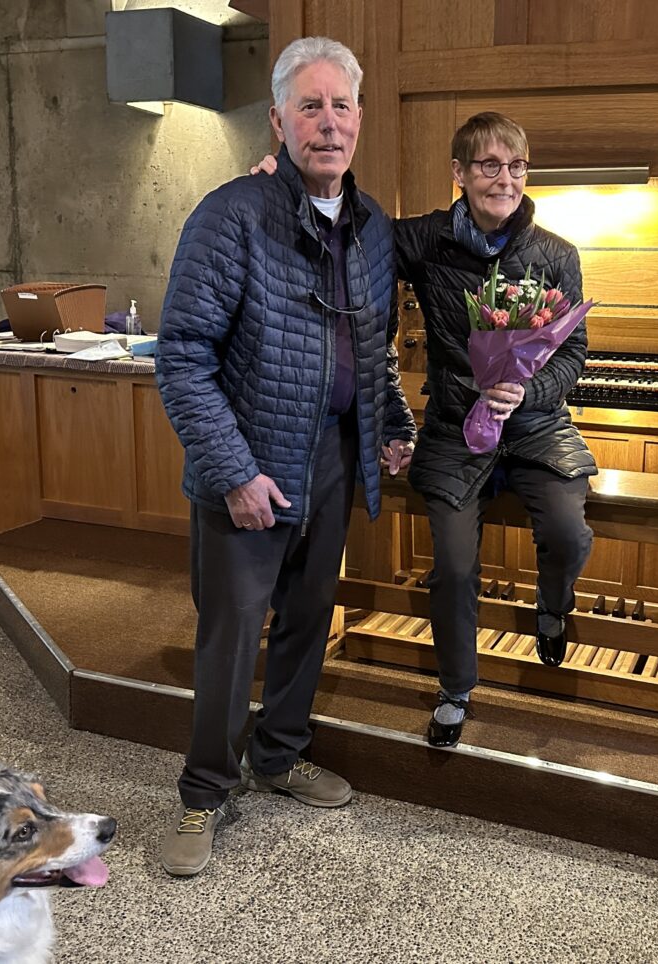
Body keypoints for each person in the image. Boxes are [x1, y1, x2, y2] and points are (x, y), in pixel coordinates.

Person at [252, 111, 595, 750]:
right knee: (455, 567)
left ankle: (553, 607)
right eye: (489, 166)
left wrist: (529, 392)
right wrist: (283, 184)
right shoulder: (424, 240)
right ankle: (456, 689)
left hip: (537, 427)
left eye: (515, 166)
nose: (505, 180)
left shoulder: (555, 254)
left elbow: (575, 353)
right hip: (452, 430)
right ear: (459, 174)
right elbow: (349, 224)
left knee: (569, 532)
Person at [155, 36, 415, 877]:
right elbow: (183, 356)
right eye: (310, 106)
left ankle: (278, 756)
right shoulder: (232, 215)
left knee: (308, 622)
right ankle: (204, 793)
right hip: (253, 466)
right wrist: (232, 472)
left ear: (360, 120)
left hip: (336, 458)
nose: (328, 123)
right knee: (231, 635)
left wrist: (392, 422)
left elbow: (370, 348)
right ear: (277, 119)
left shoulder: (372, 230)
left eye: (341, 106)